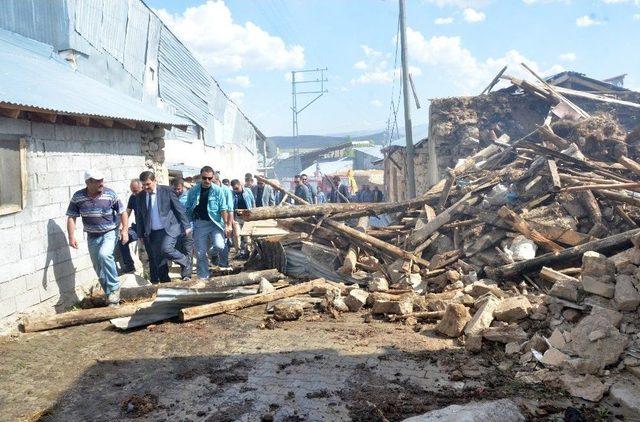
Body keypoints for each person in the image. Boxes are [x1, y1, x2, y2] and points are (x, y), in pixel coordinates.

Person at [66, 170, 128, 306]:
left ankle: (114, 288)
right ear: (88, 182)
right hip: (92, 236)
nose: (101, 183)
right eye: (98, 181)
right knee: (98, 267)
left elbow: (122, 212)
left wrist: (124, 230)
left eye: (102, 180)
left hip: (109, 232)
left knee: (105, 255)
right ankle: (110, 296)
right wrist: (71, 237)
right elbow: (71, 217)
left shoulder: (110, 194)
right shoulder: (78, 197)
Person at [137, 171, 192, 283]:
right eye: (144, 185)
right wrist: (140, 234)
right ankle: (165, 282)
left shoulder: (167, 191)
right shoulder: (140, 196)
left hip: (170, 227)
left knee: (166, 249)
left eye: (148, 184)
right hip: (153, 232)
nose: (146, 187)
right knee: (159, 259)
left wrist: (186, 225)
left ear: (154, 181)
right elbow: (139, 216)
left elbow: (179, 208)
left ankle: (185, 261)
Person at [184, 166, 233, 280]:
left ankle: (213, 254)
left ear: (213, 178)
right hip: (200, 223)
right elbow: (188, 209)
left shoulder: (218, 191)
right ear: (201, 177)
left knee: (220, 245)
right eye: (204, 178)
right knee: (200, 253)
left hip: (215, 223)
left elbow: (223, 209)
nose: (207, 181)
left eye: (209, 178)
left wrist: (227, 225)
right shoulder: (193, 191)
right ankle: (203, 278)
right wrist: (187, 225)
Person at [118, 179, 142, 274]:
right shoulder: (133, 197)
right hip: (137, 228)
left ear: (142, 187)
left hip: (149, 229)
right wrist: (122, 228)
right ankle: (129, 266)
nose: (134, 193)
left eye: (136, 191)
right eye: (132, 190)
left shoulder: (148, 197)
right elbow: (127, 213)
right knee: (122, 240)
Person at [170, 177, 194, 270]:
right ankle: (185, 266)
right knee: (177, 252)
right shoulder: (169, 197)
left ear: (182, 187)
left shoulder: (188, 198)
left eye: (178, 189)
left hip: (188, 228)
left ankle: (186, 275)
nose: (177, 191)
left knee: (188, 251)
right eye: (174, 189)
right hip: (174, 230)